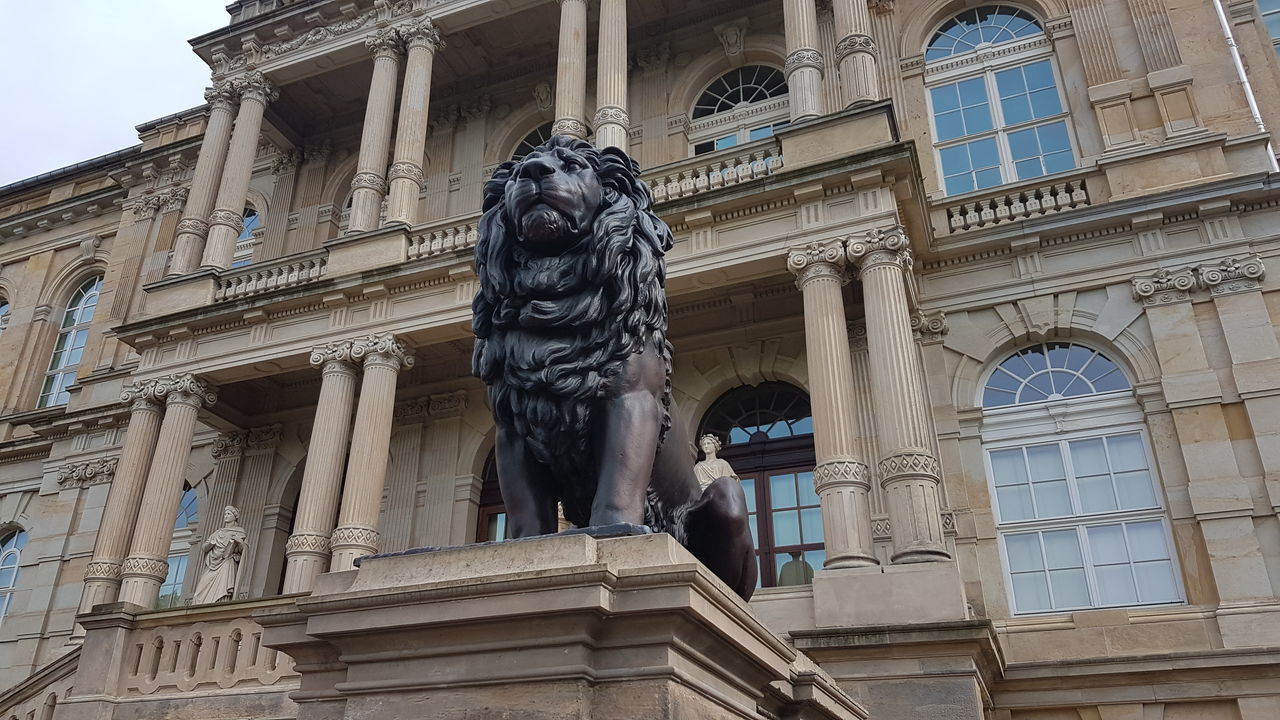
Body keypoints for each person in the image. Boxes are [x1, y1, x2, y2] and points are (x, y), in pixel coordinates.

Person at [190, 505, 246, 605]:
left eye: (229, 514)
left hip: (227, 562)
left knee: (222, 590)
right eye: (225, 514)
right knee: (198, 594)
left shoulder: (240, 532)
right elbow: (204, 548)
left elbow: (243, 551)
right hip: (213, 564)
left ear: (235, 516)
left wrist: (240, 542)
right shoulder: (218, 532)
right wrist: (211, 543)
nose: (226, 516)